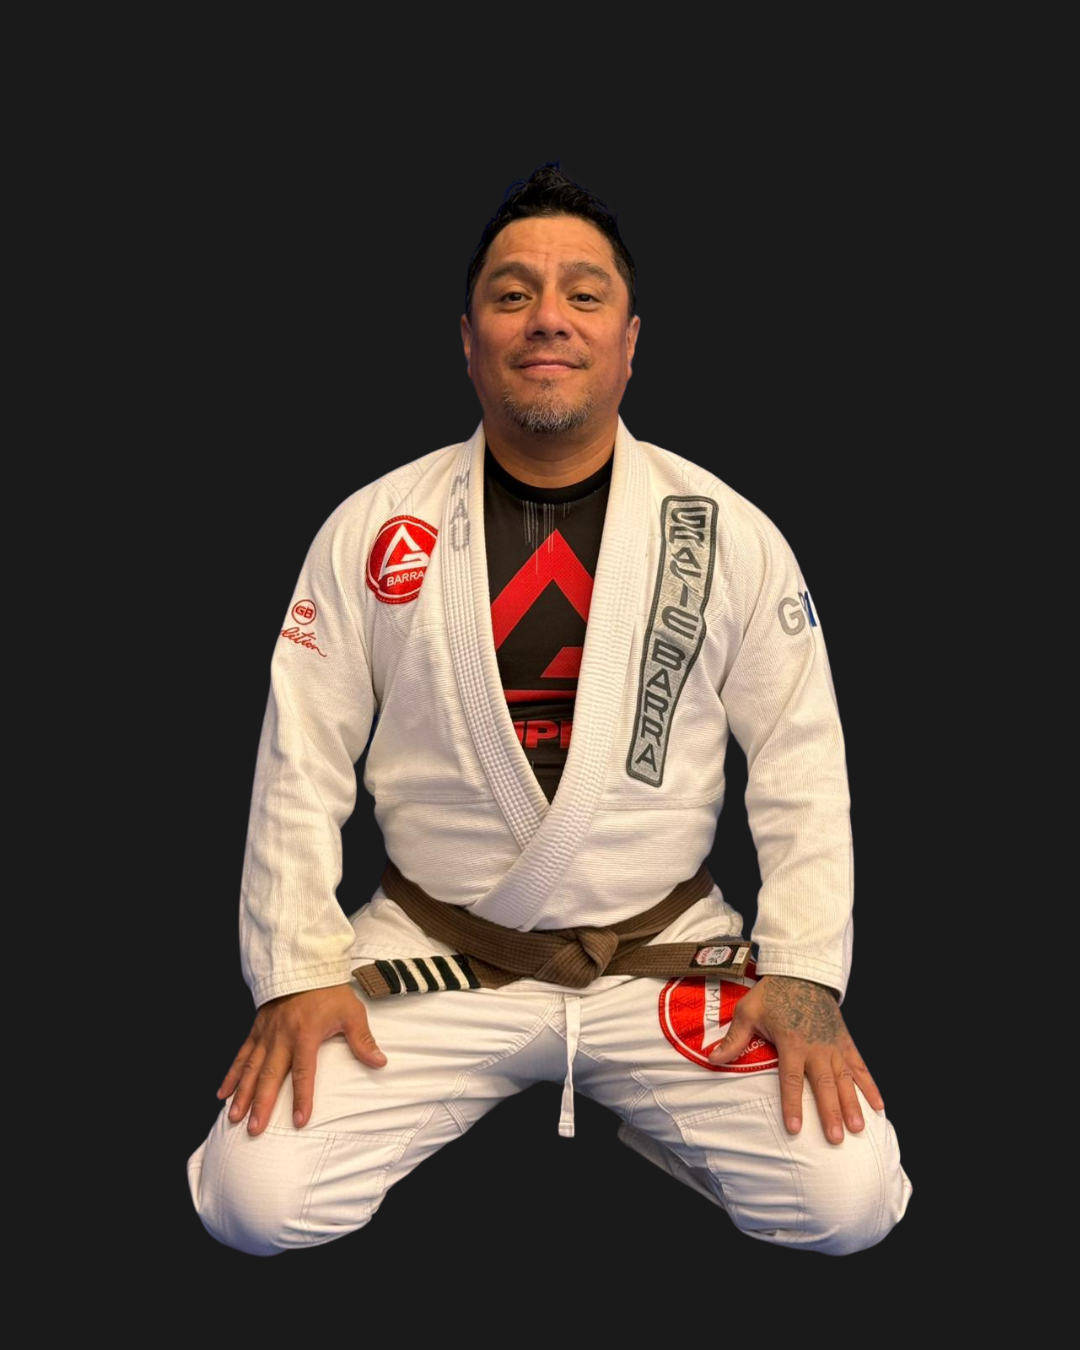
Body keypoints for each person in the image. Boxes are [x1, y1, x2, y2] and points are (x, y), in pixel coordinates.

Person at [186, 162, 913, 1257]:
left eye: (585, 293)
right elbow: (300, 763)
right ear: (468, 336)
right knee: (255, 1201)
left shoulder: (724, 532)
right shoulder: (377, 528)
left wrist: (805, 969)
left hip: (660, 954)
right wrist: (296, 970)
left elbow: (803, 768)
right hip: (440, 957)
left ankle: (668, 1130)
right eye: (512, 292)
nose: (548, 320)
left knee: (845, 1203)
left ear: (630, 339)